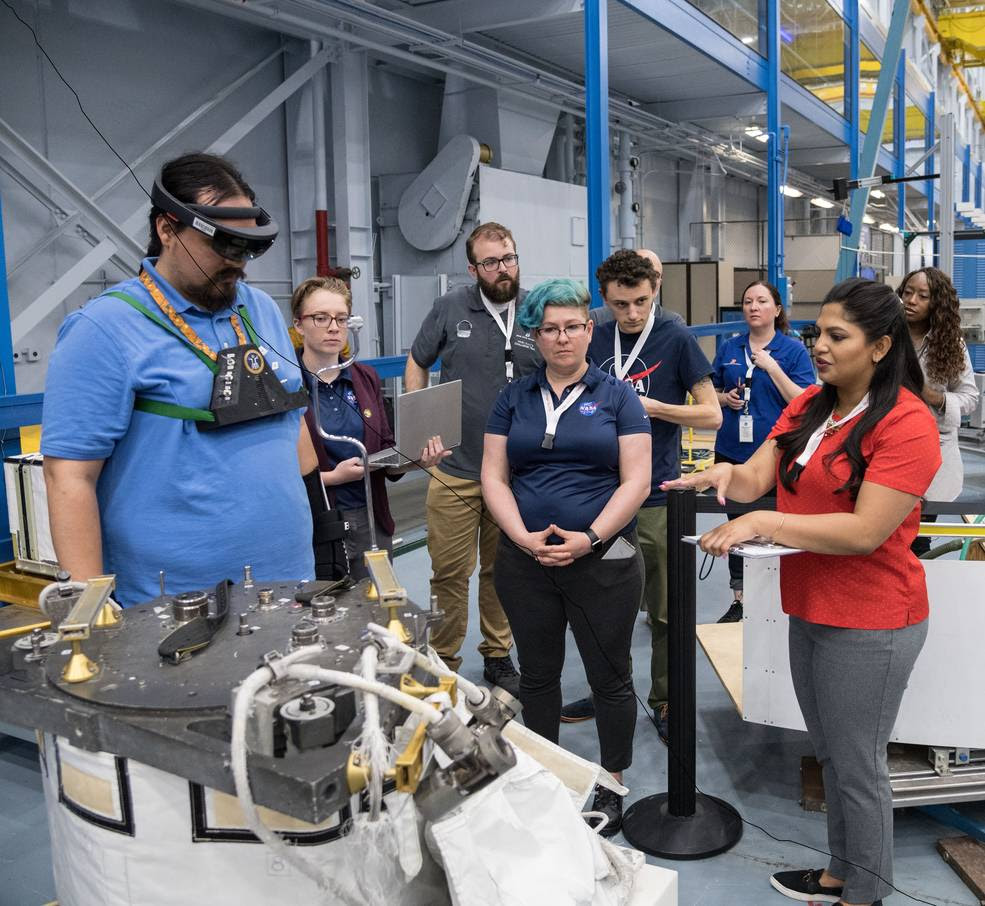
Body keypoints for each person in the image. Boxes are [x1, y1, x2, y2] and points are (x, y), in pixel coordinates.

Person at [664, 279, 940, 906]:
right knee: (834, 757)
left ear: (880, 347)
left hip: (872, 620)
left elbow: (866, 531)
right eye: (818, 333)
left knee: (858, 767)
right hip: (810, 606)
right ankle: (842, 874)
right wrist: (724, 475)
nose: (819, 346)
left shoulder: (906, 423)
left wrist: (763, 520)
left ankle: (865, 894)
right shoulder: (813, 405)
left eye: (837, 336)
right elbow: (760, 472)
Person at [42, 153, 317, 605]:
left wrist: (323, 527)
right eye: (223, 244)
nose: (238, 262)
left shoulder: (260, 309)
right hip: (172, 604)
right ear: (167, 230)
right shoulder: (104, 328)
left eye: (246, 247)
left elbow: (292, 422)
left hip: (290, 581)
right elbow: (69, 476)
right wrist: (90, 614)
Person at [481, 278, 651, 836]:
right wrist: (523, 535)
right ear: (535, 334)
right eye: (550, 328)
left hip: (603, 560)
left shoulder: (619, 396)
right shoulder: (514, 397)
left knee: (610, 676)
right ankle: (545, 775)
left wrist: (593, 537)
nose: (562, 338)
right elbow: (494, 475)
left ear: (589, 329)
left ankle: (611, 779)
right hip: (525, 560)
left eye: (573, 326)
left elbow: (637, 480)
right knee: (537, 674)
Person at [561, 250, 721, 741]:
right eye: (620, 304)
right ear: (604, 300)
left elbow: (711, 414)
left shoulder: (675, 336)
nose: (631, 314)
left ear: (655, 289)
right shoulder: (594, 334)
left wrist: (653, 407)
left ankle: (667, 699)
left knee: (667, 609)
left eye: (640, 302)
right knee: (604, 608)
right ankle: (611, 689)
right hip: (599, 497)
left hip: (655, 497)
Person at [404, 222, 542, 695]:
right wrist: (419, 427)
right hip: (456, 470)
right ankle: (443, 658)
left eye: (509, 258)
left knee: (501, 572)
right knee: (448, 572)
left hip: (515, 475)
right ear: (472, 268)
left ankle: (498, 654)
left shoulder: (536, 311)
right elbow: (418, 360)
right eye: (490, 262)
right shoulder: (449, 308)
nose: (502, 269)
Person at [292, 276, 448, 579]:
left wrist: (415, 459)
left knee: (375, 610)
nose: (333, 327)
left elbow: (384, 445)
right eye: (320, 318)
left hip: (370, 519)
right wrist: (331, 478)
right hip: (315, 524)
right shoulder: (286, 385)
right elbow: (275, 472)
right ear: (299, 324)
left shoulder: (365, 378)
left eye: (341, 318)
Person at [711, 280, 815, 621]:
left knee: (774, 527)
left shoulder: (793, 350)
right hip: (731, 451)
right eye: (747, 301)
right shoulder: (729, 348)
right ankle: (740, 600)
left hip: (775, 454)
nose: (753, 307)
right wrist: (724, 398)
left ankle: (774, 601)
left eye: (761, 301)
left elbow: (804, 401)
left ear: (777, 309)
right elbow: (709, 391)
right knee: (736, 527)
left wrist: (772, 368)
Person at [898, 266, 979, 555]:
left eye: (922, 296)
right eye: (908, 292)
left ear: (937, 303)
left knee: (918, 538)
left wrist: (933, 396)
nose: (911, 300)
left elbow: (970, 397)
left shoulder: (951, 345)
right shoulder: (886, 336)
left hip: (931, 453)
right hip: (886, 447)